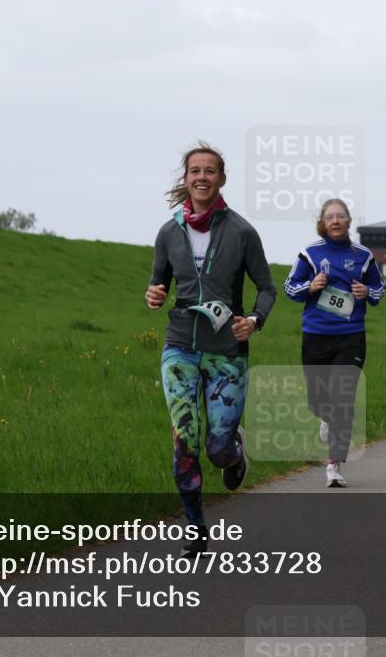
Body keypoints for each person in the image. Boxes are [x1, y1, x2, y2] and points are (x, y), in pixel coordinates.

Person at [146, 143, 276, 557]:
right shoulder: (168, 232)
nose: (202, 177)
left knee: (217, 451)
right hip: (180, 347)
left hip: (227, 351)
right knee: (184, 442)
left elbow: (267, 288)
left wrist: (253, 320)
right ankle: (196, 528)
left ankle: (234, 452)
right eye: (195, 171)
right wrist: (154, 294)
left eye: (210, 171)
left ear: (222, 178)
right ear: (186, 179)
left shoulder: (241, 232)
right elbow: (158, 283)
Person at [284, 198, 386, 488]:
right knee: (317, 400)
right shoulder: (310, 253)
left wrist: (367, 292)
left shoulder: (363, 256)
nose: (336, 220)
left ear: (349, 221)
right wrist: (310, 286)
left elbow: (379, 287)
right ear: (323, 223)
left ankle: (334, 465)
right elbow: (289, 287)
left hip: (351, 336)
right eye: (330, 216)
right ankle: (325, 416)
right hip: (316, 335)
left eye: (341, 216)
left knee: (343, 398)